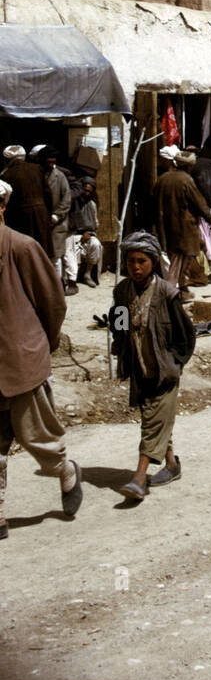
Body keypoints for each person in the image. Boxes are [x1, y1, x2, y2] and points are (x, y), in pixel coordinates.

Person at [0, 179, 83, 538]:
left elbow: (52, 302)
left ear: (2, 206)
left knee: (39, 439)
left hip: (20, 361)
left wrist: (40, 344)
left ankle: (66, 471)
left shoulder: (21, 246)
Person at [109, 231, 196, 501]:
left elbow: (186, 336)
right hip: (139, 368)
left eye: (142, 262)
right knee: (152, 420)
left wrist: (175, 363)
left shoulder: (166, 293)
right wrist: (121, 348)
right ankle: (171, 464)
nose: (135, 267)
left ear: (154, 263)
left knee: (152, 425)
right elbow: (119, 325)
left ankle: (139, 477)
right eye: (130, 261)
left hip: (164, 371)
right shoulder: (122, 291)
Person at [152, 148, 211, 299]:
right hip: (184, 227)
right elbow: (198, 201)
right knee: (184, 258)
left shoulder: (162, 179)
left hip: (166, 226)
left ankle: (177, 288)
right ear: (189, 166)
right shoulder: (186, 180)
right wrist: (209, 216)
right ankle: (178, 290)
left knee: (173, 259)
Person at [0, 144, 53, 255]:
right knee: (42, 252)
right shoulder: (37, 168)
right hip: (41, 215)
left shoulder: (6, 175)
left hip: (21, 218)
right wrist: (48, 215)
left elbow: (7, 201)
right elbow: (48, 194)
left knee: (26, 253)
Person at [36, 148, 72, 282]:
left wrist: (56, 216)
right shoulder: (37, 175)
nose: (51, 165)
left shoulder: (60, 176)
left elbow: (66, 199)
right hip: (41, 223)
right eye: (48, 162)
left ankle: (57, 286)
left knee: (56, 258)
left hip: (57, 224)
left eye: (53, 162)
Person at [64, 180, 103, 291]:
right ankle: (72, 278)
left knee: (95, 244)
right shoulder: (72, 203)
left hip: (88, 234)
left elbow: (95, 224)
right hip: (72, 234)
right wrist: (80, 236)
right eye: (85, 190)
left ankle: (87, 274)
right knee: (70, 248)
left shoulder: (92, 205)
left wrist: (89, 234)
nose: (87, 194)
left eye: (89, 192)